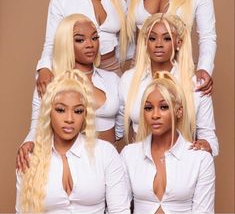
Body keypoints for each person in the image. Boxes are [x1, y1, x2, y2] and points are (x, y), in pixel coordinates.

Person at [17, 14, 124, 172]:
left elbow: (120, 126)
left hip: (108, 164)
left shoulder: (112, 80)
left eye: (94, 38)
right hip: (70, 164)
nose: (90, 44)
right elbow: (37, 124)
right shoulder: (51, 81)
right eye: (80, 40)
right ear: (65, 43)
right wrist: (28, 143)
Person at [16, 69, 130, 213]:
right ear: (48, 111)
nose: (69, 119)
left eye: (78, 111)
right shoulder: (29, 157)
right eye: (60, 110)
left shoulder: (105, 153)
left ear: (85, 115)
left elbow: (120, 210)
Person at [120, 13, 218, 156]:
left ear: (178, 42)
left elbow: (209, 138)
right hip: (140, 162)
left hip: (183, 162)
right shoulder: (128, 80)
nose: (158, 44)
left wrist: (205, 146)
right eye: (152, 38)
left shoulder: (195, 83)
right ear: (146, 42)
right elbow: (118, 130)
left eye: (166, 38)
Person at [121, 71, 215, 213]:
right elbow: (119, 208)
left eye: (164, 107)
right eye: (148, 108)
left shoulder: (200, 159)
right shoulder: (129, 155)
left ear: (179, 111)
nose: (155, 115)